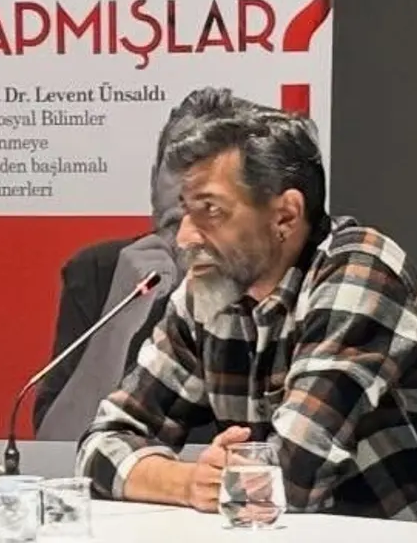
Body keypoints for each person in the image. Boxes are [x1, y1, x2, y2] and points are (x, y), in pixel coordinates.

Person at [75, 92, 417, 528]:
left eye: (210, 210)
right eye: (184, 212)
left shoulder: (361, 271)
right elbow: (100, 446)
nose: (186, 237)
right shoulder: (209, 293)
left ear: (286, 216)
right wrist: (189, 482)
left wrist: (217, 480)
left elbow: (291, 478)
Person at [33, 89, 258, 442]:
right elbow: (56, 444)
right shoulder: (100, 270)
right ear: (154, 180)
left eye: (210, 170)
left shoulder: (277, 276)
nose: (188, 191)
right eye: (177, 166)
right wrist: (118, 320)